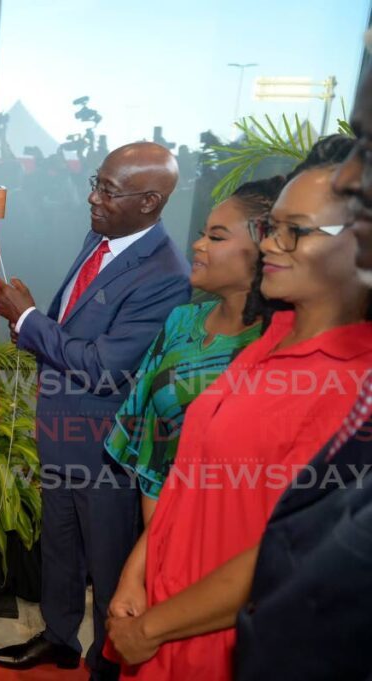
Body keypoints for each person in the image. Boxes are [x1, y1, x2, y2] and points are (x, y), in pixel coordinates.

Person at [106, 65, 372, 681]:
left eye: (295, 232)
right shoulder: (267, 343)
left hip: (213, 641)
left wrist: (149, 628)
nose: (271, 246)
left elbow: (289, 555)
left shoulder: (351, 387)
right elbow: (187, 478)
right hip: (159, 616)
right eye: (271, 228)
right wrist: (134, 575)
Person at [0, 142, 192, 680]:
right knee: (58, 549)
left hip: (106, 451)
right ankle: (59, 638)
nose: (92, 197)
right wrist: (35, 317)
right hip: (62, 432)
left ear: (150, 201)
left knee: (108, 570)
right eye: (95, 183)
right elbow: (73, 325)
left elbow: (105, 366)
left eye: (107, 189)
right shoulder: (101, 237)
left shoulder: (166, 275)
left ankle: (108, 664)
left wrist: (30, 319)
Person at [105, 177, 283, 524]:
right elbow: (152, 450)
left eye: (216, 237)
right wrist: (155, 551)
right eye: (203, 233)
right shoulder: (181, 322)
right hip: (163, 524)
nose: (198, 245)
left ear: (268, 250)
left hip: (235, 535)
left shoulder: (279, 346)